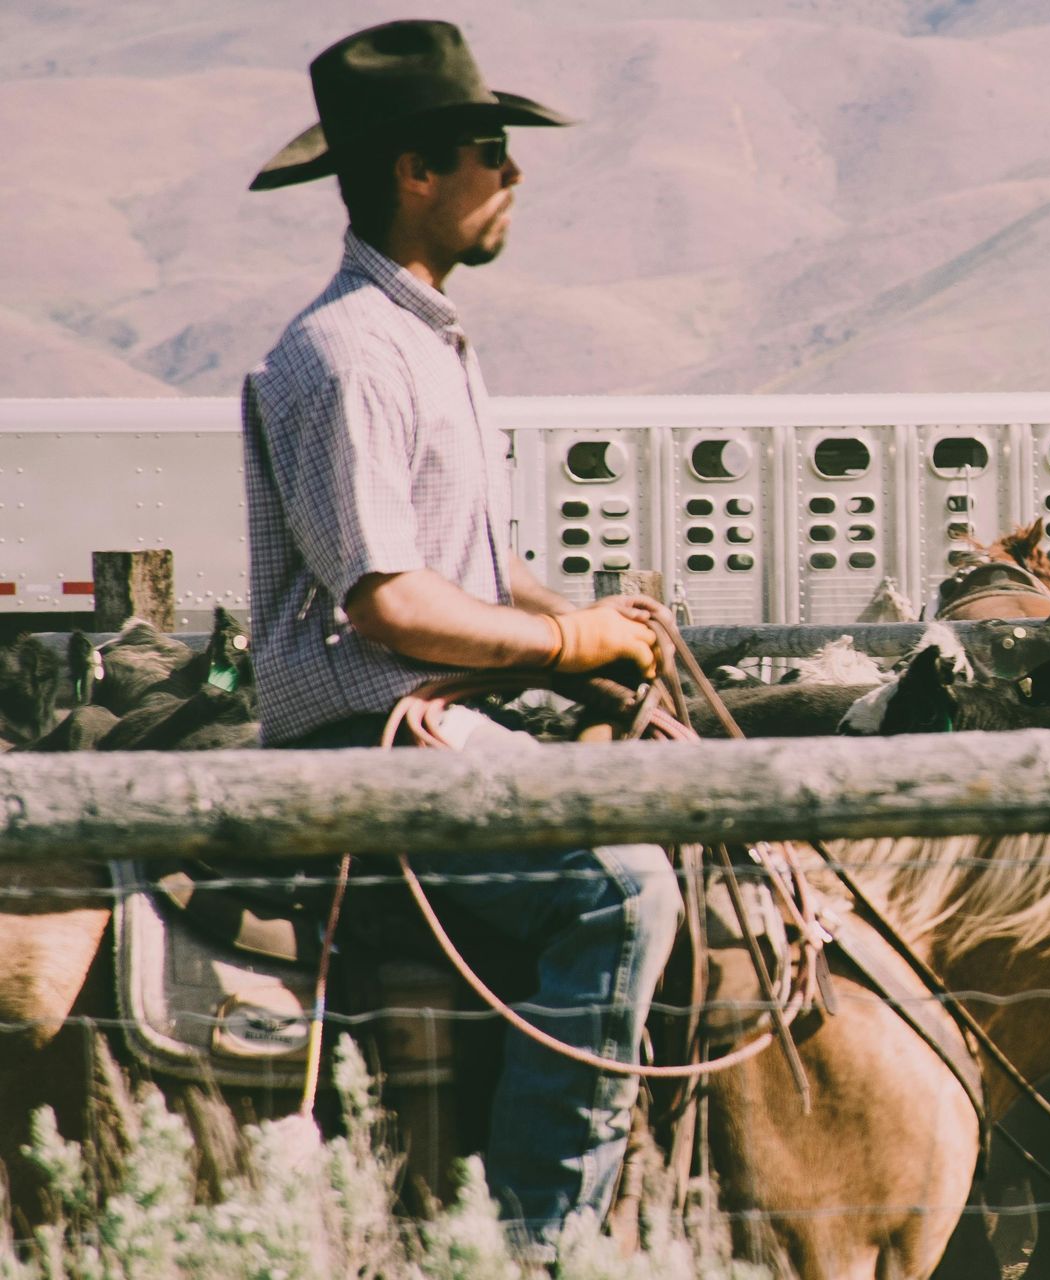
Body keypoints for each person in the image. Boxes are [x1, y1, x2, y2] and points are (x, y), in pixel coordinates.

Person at [242, 19, 682, 1260]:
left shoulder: (426, 341)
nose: (514, 174)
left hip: (435, 712)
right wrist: (561, 645)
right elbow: (387, 601)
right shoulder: (342, 354)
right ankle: (540, 1244)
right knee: (621, 893)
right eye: (490, 149)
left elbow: (467, 574)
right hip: (365, 732)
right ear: (413, 173)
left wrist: (580, 625)